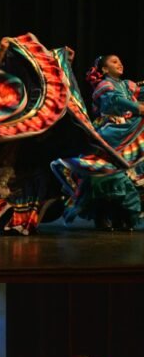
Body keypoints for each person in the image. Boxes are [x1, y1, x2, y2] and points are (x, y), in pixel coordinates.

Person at [51, 54, 144, 230]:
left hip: (128, 129)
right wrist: (137, 107)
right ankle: (102, 215)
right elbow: (116, 100)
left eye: (120, 61)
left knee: (127, 173)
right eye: (114, 62)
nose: (120, 64)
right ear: (105, 69)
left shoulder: (128, 85)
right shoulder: (104, 85)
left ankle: (121, 216)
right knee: (106, 173)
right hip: (111, 132)